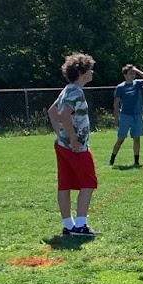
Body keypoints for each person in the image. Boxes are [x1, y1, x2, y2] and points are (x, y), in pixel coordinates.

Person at [47, 53, 98, 237]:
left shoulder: (67, 89)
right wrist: (73, 138)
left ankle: (68, 225)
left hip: (62, 145)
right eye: (90, 69)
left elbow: (52, 112)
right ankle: (81, 225)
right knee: (89, 182)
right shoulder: (76, 91)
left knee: (65, 184)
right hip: (76, 147)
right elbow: (63, 114)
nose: (92, 72)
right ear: (82, 72)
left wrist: (61, 135)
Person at [109, 64, 143, 167]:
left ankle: (136, 161)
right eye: (130, 73)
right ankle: (112, 160)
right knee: (121, 139)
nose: (133, 75)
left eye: (134, 73)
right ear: (125, 75)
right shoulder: (120, 87)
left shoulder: (137, 84)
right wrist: (116, 119)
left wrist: (138, 71)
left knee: (137, 138)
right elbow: (116, 104)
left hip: (137, 115)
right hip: (125, 115)